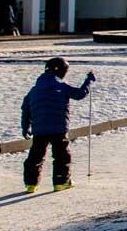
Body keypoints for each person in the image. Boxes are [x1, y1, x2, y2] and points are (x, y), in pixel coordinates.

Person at [20, 57, 95, 193]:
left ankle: (31, 184)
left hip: (39, 129)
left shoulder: (34, 90)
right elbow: (79, 94)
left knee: (35, 156)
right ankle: (61, 182)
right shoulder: (62, 86)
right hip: (58, 129)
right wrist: (88, 81)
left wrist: (25, 127)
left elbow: (25, 109)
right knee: (62, 156)